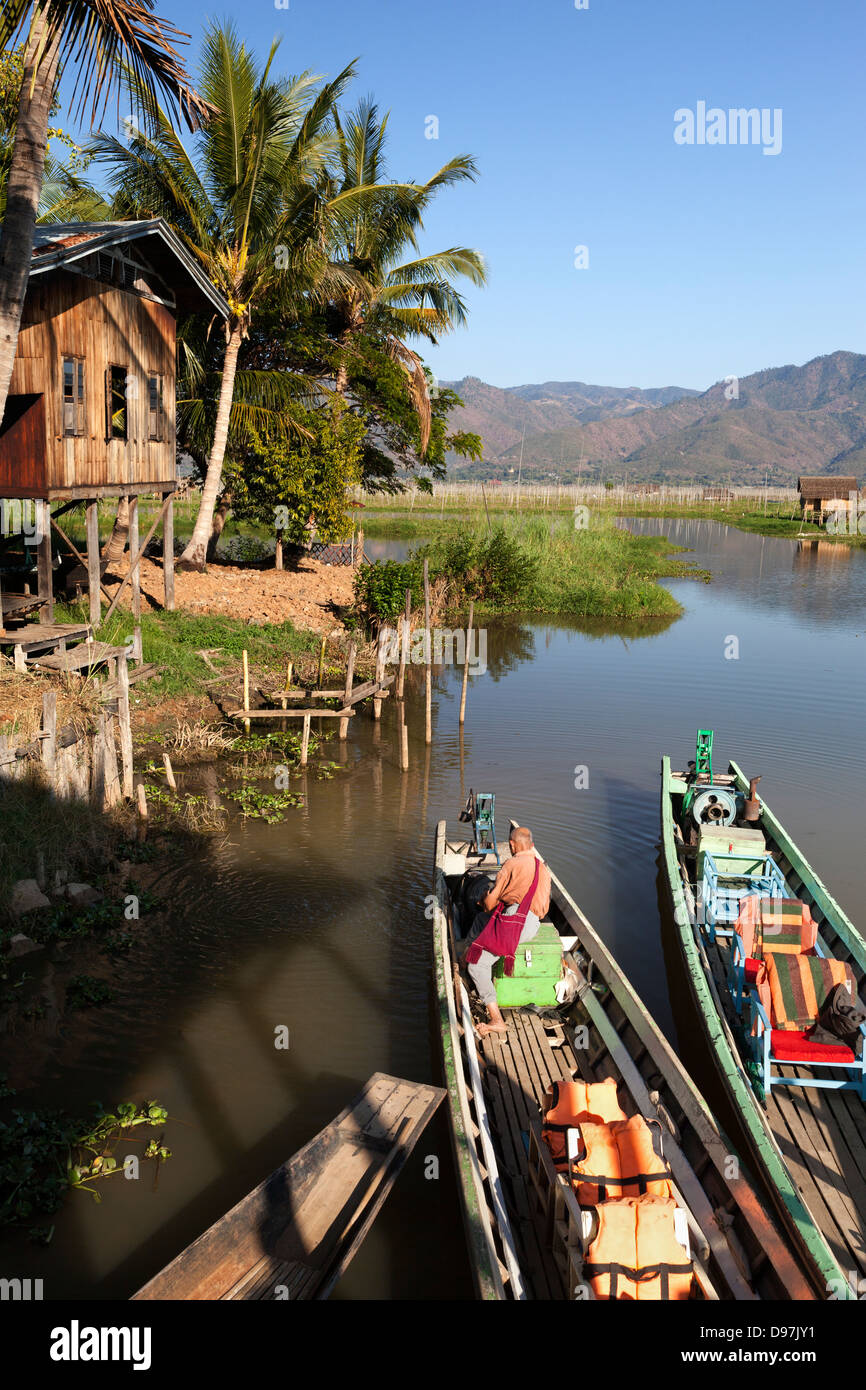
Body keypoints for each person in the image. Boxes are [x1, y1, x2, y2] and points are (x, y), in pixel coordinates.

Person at [462, 826, 551, 1037]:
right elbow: (544, 908)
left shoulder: (512, 863)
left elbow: (489, 904)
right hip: (532, 926)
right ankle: (467, 950)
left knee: (477, 966)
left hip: (513, 926)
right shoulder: (542, 868)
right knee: (481, 921)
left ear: (512, 845)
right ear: (532, 846)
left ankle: (496, 1019)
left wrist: (484, 896)